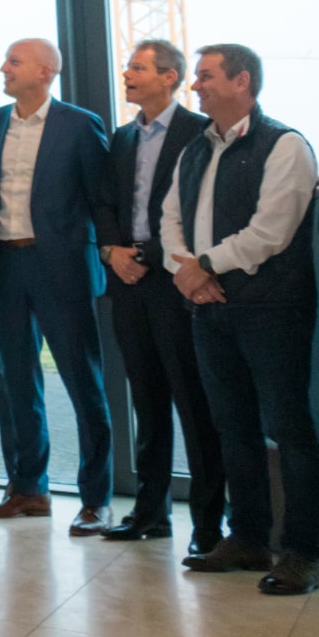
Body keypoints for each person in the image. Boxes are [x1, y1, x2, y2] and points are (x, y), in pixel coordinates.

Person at [163, 44, 319, 595]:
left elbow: (271, 230)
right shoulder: (195, 149)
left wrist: (203, 266)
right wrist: (187, 272)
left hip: (271, 311)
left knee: (291, 430)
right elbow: (170, 221)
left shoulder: (285, 144)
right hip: (208, 308)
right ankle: (249, 537)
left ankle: (302, 553)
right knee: (233, 429)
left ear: (242, 81)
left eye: (206, 76)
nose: (196, 85)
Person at [0, 39, 117, 534]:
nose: (4, 68)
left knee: (82, 382)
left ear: (46, 70)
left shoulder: (79, 124)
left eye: (14, 61)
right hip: (4, 267)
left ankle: (96, 499)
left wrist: (110, 254)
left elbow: (101, 199)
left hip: (62, 269)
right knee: (16, 383)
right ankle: (29, 489)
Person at [99, 39, 222, 551]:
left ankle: (209, 524)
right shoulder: (122, 137)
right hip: (127, 282)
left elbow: (200, 211)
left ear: (169, 77)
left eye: (138, 67)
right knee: (146, 399)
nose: (127, 75)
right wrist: (111, 252)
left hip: (176, 281)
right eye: (128, 67)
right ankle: (150, 512)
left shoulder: (199, 132)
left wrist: (149, 255)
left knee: (192, 401)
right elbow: (107, 204)